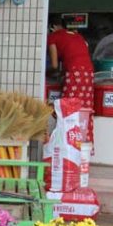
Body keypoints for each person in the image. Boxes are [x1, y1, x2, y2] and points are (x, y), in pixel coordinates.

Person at [47, 14, 95, 145]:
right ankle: (84, 145)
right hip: (88, 74)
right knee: (84, 109)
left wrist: (46, 73)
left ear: (52, 27)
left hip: (75, 74)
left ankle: (69, 144)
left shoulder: (53, 37)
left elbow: (55, 65)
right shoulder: (78, 36)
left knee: (69, 108)